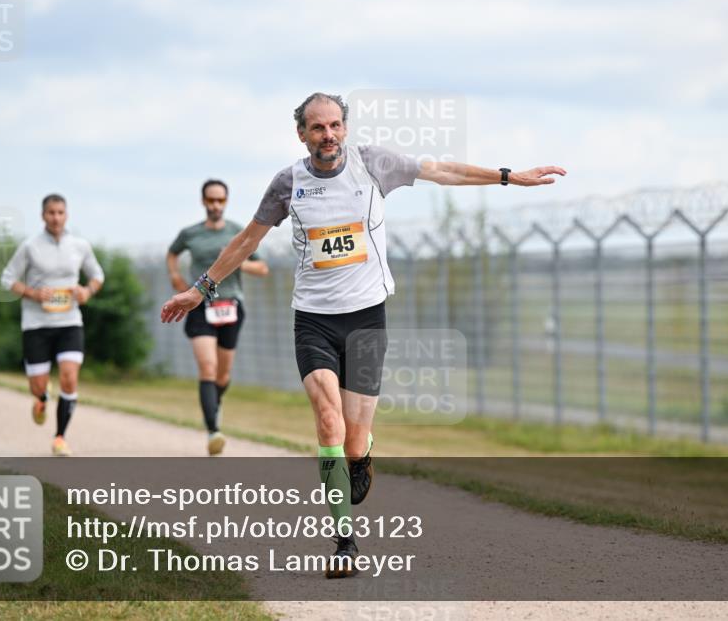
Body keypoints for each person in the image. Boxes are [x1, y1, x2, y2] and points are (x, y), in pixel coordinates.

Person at [161, 92, 565, 577]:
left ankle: (363, 451)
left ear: (345, 128)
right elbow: (247, 239)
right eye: (317, 128)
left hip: (367, 319)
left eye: (334, 125)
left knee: (353, 443)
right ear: (302, 134)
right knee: (328, 425)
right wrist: (200, 289)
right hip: (312, 320)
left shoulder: (374, 164)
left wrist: (507, 176)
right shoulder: (288, 183)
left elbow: (443, 170)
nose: (327, 135)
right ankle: (345, 542)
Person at [167, 180, 269, 455]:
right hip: (200, 305)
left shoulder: (238, 232)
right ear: (203, 201)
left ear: (226, 201)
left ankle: (214, 404)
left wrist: (237, 260)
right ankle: (213, 430)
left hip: (231, 305)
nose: (215, 205)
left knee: (222, 374)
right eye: (211, 200)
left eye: (220, 200)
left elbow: (262, 267)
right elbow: (172, 253)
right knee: (208, 368)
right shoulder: (190, 233)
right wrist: (175, 276)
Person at [0, 194, 105, 456]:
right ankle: (41, 397)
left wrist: (87, 292)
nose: (56, 217)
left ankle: (60, 437)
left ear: (66, 215)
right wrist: (33, 293)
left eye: (60, 212)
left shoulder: (79, 245)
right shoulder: (30, 246)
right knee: (38, 386)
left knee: (69, 378)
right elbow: (7, 279)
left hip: (70, 322)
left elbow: (97, 276)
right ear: (42, 215)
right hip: (36, 324)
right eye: (51, 213)